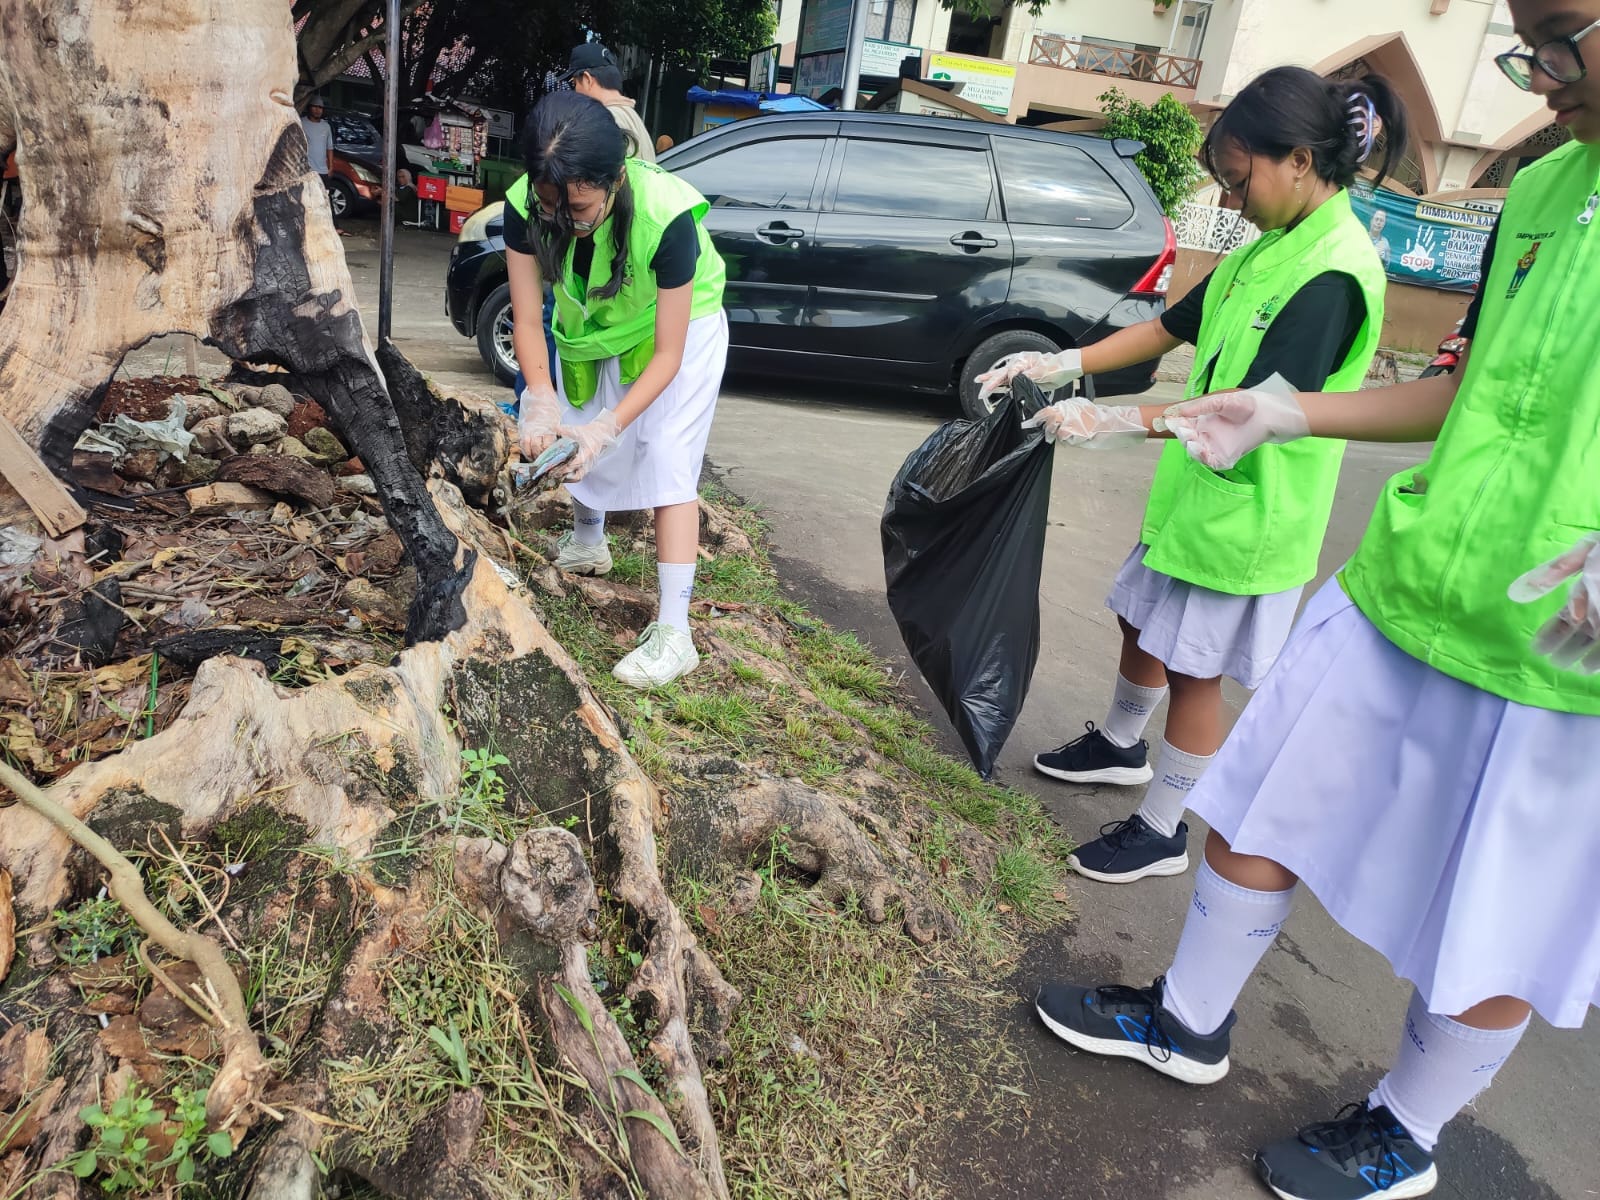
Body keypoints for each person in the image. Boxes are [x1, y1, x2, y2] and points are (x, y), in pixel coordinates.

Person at [1032, 2, 1600, 1196]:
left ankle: (1406, 1127)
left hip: (1567, 647)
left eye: (1560, 39)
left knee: (1496, 909)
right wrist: (1287, 410)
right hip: (1414, 571)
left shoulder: (1333, 256)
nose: (1540, 77)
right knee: (1257, 797)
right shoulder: (1543, 192)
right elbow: (1459, 389)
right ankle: (1185, 1016)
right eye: (1527, 44)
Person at [977, 66, 1408, 886]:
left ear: (1301, 161)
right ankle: (1118, 744)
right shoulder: (1271, 248)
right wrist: (1062, 362)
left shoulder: (1333, 274)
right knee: (1141, 625)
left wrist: (1108, 420)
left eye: (1240, 181)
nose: (1233, 201)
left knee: (1194, 670)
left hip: (1250, 518)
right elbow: (1168, 328)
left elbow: (1249, 409)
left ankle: (1163, 825)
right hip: (1196, 497)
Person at [503, 92, 728, 688]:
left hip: (678, 328)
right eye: (552, 205)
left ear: (616, 178)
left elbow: (669, 354)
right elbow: (526, 320)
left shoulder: (667, 218)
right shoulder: (525, 207)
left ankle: (675, 633)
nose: (565, 220)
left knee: (666, 457)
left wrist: (612, 426)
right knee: (575, 417)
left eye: (579, 206)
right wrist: (540, 396)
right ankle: (587, 542)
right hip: (595, 327)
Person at [560, 43, 655, 163]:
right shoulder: (632, 117)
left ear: (587, 79)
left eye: (574, 84)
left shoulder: (603, 122)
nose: (575, 91)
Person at [301, 97, 334, 190]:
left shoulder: (326, 126)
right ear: (309, 108)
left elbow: (330, 148)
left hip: (323, 170)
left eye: (320, 107)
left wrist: (331, 167)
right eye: (315, 107)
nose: (317, 110)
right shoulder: (301, 122)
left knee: (323, 198)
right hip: (306, 170)